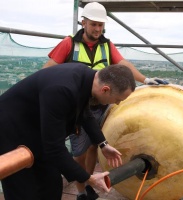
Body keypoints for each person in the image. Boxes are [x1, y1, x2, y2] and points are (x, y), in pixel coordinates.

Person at [42, 2, 168, 199]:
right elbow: (48, 70)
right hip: (78, 108)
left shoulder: (106, 45)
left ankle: (90, 181)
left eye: (101, 25)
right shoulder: (68, 44)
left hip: (101, 104)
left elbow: (123, 64)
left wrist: (145, 79)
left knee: (95, 145)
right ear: (83, 22)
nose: (97, 29)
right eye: (93, 24)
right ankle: (81, 190)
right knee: (79, 153)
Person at [0, 63, 136, 200]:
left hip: (37, 128)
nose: (117, 103)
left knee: (51, 185)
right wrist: (89, 178)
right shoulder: (62, 89)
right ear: (105, 90)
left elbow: (85, 114)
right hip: (10, 130)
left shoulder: (87, 78)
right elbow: (54, 147)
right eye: (117, 100)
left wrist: (103, 145)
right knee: (23, 189)